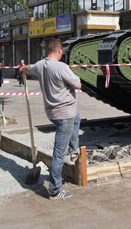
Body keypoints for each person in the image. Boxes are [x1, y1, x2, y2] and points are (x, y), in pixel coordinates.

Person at [21, 39, 81, 200]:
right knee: (59, 154)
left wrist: (23, 68)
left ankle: (74, 149)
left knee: (78, 117)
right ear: (59, 51)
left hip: (53, 112)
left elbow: (28, 68)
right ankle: (55, 190)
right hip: (64, 113)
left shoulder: (40, 65)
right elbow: (78, 84)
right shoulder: (61, 67)